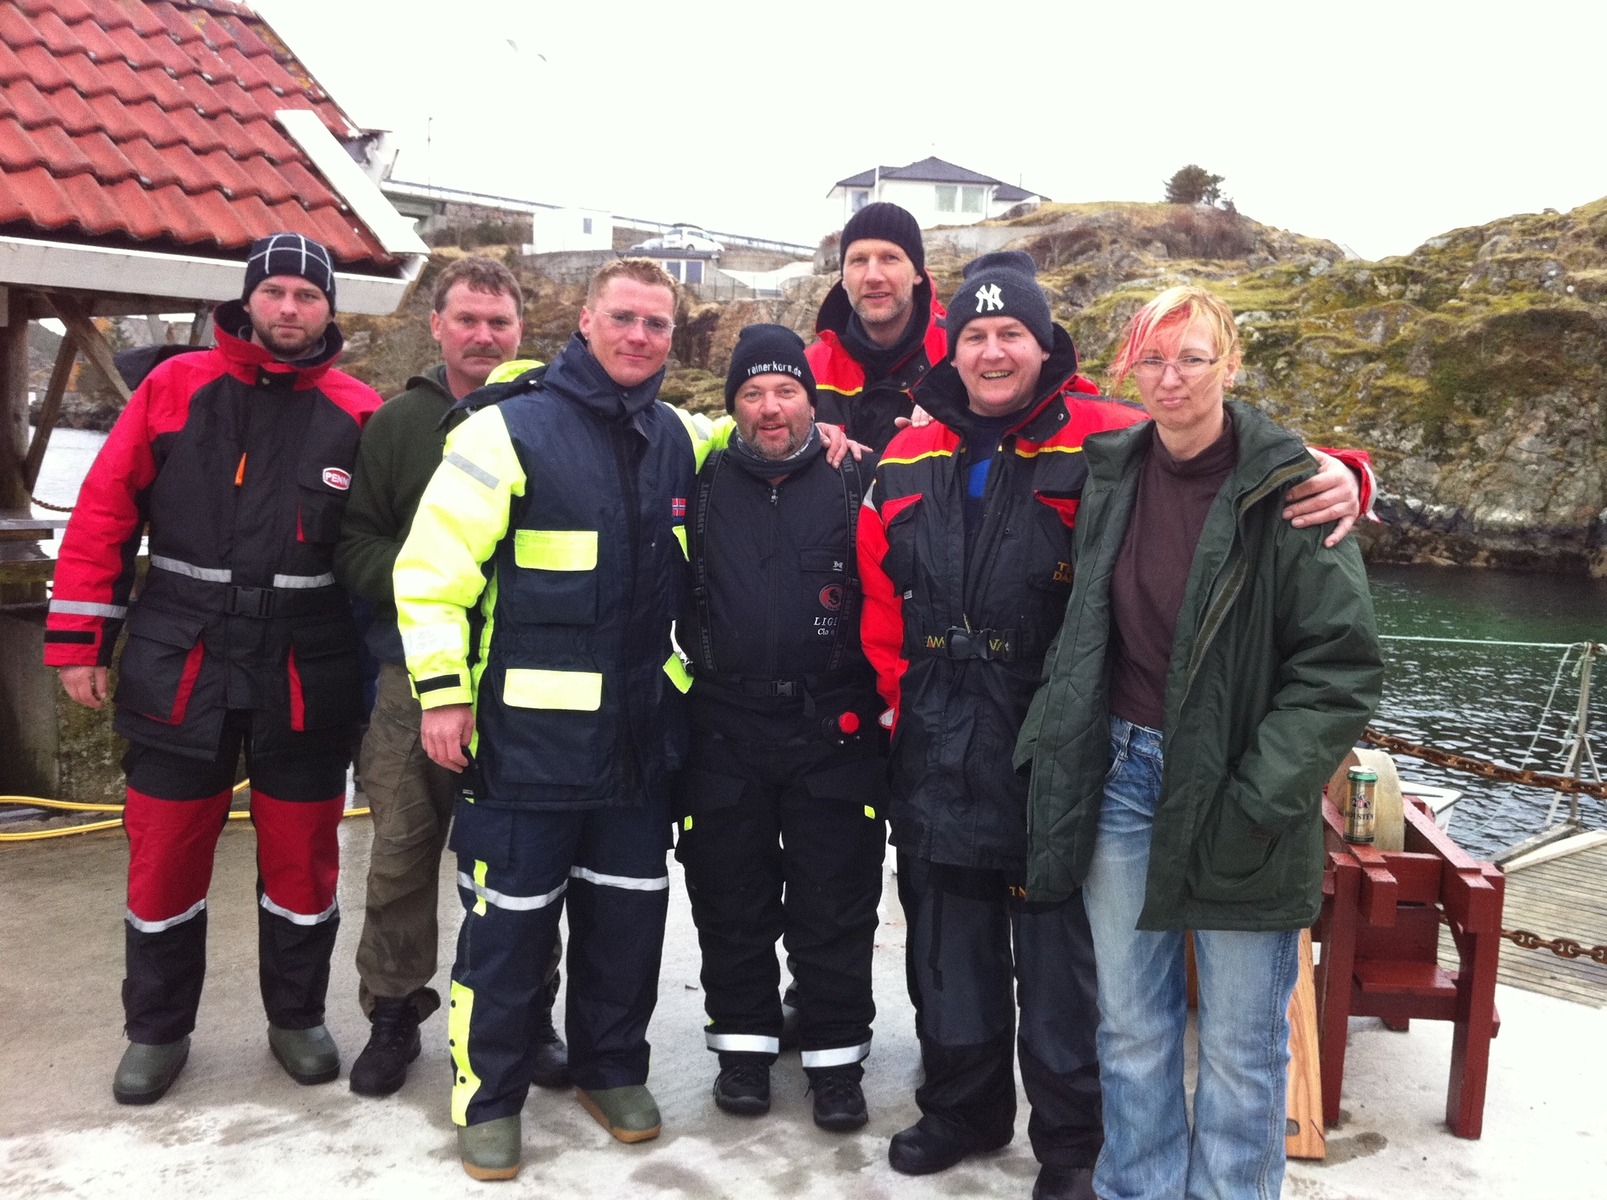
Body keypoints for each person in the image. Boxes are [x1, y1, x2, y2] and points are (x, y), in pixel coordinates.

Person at [857, 252, 1373, 1200]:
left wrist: (1348, 476)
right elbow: (876, 591)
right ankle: (1006, 1127)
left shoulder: (1113, 438)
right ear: (951, 349)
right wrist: (897, 700)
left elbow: (1246, 472)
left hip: (1136, 756)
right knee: (1027, 981)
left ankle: (1085, 1150)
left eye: (1012, 332)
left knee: (1134, 998)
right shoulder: (948, 453)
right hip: (1007, 747)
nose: (992, 350)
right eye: (974, 335)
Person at [1016, 285, 1384, 1200]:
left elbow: (1338, 670)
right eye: (1151, 358)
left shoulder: (1292, 489)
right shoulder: (1113, 471)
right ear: (1127, 369)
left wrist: (1262, 795)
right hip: (1119, 775)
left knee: (1241, 1044)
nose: (1170, 377)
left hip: (1239, 789)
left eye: (1191, 357)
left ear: (1229, 364)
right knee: (1131, 1027)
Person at [393, 258, 715, 1181]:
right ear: (584, 320)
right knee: (506, 933)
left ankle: (610, 1070)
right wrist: (442, 693)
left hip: (636, 747)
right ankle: (486, 1101)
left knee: (626, 924)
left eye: (656, 324)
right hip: (522, 749)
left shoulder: (678, 438)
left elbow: (748, 429)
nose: (639, 337)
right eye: (623, 318)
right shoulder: (504, 431)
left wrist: (826, 433)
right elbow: (429, 574)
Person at [45, 233, 381, 1104]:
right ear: (247, 300)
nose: (290, 309)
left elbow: (385, 545)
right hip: (181, 655)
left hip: (306, 664)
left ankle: (297, 1018)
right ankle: (156, 1031)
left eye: (308, 296)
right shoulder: (173, 388)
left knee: (305, 858)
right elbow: (104, 512)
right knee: (164, 853)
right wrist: (80, 642)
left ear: (329, 308)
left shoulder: (359, 410)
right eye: (275, 293)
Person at [335, 256, 566, 1097]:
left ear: (520, 331)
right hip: (412, 678)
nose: (483, 336)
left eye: (499, 322)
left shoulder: (550, 416)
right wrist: (433, 569)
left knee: (524, 860)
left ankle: (527, 1011)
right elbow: (353, 543)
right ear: (436, 326)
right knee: (401, 851)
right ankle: (393, 1011)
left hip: (522, 678)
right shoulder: (397, 424)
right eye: (466, 319)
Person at [674, 325, 886, 1133]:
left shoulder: (857, 474)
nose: (770, 408)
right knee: (730, 898)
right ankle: (743, 1052)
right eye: (752, 393)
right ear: (731, 405)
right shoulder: (697, 478)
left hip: (833, 728)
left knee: (835, 903)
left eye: (786, 391)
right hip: (722, 725)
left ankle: (835, 1062)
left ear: (811, 399)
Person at [806, 201, 948, 457]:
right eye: (859, 260)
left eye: (889, 258)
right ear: (843, 279)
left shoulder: (961, 357)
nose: (873, 276)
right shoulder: (810, 367)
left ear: (918, 272)